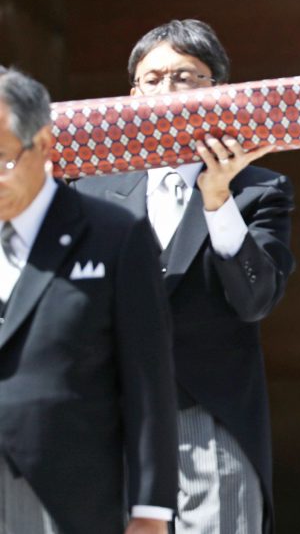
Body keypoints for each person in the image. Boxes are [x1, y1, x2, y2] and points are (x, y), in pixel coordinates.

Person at [74, 20, 295, 534]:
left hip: (209, 415)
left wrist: (217, 199)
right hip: (111, 419)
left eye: (184, 76)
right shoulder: (88, 190)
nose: (166, 90)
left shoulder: (259, 189)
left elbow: (256, 299)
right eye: (153, 79)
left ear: (217, 90)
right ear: (132, 96)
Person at [0, 67, 177, 533]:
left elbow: (148, 376)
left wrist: (151, 509)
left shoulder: (114, 235)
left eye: (2, 160)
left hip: (71, 496)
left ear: (44, 145)